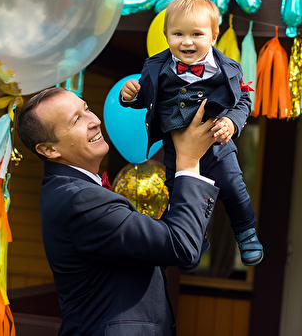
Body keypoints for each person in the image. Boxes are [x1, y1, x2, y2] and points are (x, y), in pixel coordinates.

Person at [16, 87, 219, 336]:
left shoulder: (72, 190)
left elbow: (168, 249)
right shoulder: (81, 199)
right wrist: (188, 162)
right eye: (76, 120)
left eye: (86, 109)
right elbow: (180, 246)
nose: (94, 120)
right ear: (49, 150)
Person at [119, 0, 263, 268]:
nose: (187, 41)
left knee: (234, 188)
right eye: (178, 34)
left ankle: (246, 232)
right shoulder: (155, 67)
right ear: (166, 35)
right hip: (176, 148)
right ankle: (196, 237)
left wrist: (231, 122)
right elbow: (146, 98)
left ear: (213, 36)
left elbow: (244, 100)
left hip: (218, 145)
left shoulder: (228, 69)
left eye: (197, 34)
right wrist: (130, 96)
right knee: (178, 193)